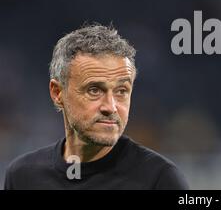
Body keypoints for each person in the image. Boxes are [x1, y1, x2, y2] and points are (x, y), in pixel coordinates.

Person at [4, 23, 189, 189]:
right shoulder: (22, 177)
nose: (111, 107)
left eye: (121, 91)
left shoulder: (159, 180)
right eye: (94, 90)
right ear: (57, 93)